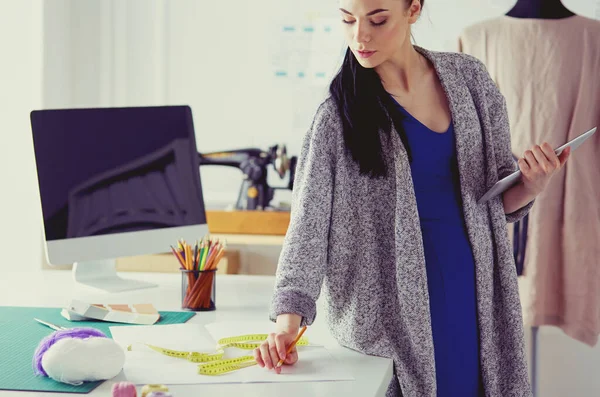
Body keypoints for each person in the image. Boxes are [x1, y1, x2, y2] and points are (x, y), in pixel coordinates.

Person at [253, 0, 571, 396]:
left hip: (475, 294)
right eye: (347, 20)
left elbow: (492, 197)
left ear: (414, 10)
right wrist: (286, 325)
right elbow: (308, 228)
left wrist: (533, 183)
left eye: (378, 19)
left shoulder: (469, 80)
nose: (360, 36)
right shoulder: (338, 116)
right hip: (391, 315)